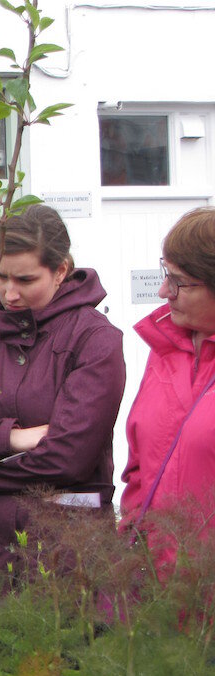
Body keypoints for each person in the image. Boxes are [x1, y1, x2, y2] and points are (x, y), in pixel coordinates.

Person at [0, 204, 126, 604]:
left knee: (68, 643)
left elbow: (67, 459)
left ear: (61, 270)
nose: (9, 293)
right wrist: (12, 439)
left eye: (25, 279)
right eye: (0, 277)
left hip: (66, 550)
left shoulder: (95, 340)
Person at [120, 207, 215, 583]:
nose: (163, 292)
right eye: (165, 276)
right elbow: (139, 466)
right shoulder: (165, 349)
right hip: (156, 586)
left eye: (179, 282)